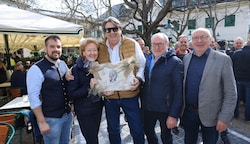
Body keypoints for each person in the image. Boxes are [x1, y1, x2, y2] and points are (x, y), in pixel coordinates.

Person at [182, 28, 237, 144]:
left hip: (212, 115)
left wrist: (224, 117)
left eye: (203, 37)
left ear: (210, 40)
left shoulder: (223, 60)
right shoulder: (186, 59)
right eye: (195, 38)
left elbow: (231, 92)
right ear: (191, 41)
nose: (199, 41)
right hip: (189, 112)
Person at [97, 16, 145, 144]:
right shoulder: (99, 47)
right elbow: (92, 66)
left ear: (120, 29)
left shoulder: (132, 43)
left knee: (137, 128)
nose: (112, 32)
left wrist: (139, 79)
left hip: (130, 94)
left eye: (115, 29)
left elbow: (142, 64)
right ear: (104, 32)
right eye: (108, 30)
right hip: (110, 96)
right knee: (113, 130)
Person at [27, 35, 73, 144]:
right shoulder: (36, 69)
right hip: (50, 119)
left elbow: (67, 86)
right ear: (45, 48)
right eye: (52, 46)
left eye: (58, 47)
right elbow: (33, 97)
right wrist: (42, 122)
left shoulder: (62, 64)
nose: (56, 49)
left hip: (67, 115)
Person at [142, 32, 184, 144]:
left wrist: (174, 114)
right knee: (148, 131)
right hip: (148, 107)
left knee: (166, 136)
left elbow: (179, 90)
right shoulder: (148, 59)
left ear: (167, 44)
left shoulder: (175, 62)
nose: (157, 47)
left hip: (165, 108)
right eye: (154, 44)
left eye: (160, 44)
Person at [67, 38, 104, 144]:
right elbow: (71, 93)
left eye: (95, 50)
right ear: (83, 52)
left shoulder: (98, 66)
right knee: (92, 139)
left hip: (97, 108)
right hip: (84, 111)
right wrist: (89, 86)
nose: (92, 53)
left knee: (93, 137)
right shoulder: (76, 69)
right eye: (89, 50)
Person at [232, 40, 250, 121]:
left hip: (237, 78)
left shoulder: (237, 53)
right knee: (248, 100)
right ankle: (247, 117)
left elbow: (232, 65)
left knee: (236, 98)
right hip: (248, 80)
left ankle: (235, 114)